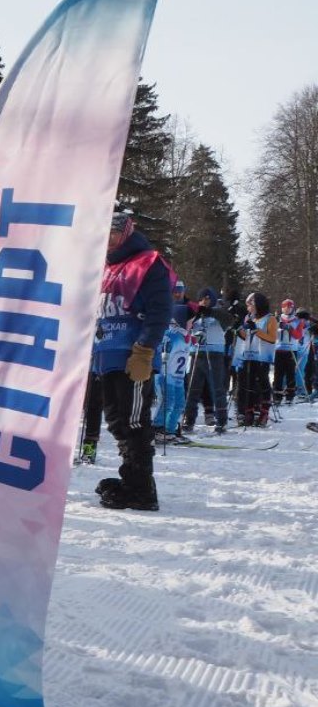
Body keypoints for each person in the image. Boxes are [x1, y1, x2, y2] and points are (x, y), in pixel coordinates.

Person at [92, 213, 173, 511]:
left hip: (132, 355)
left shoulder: (149, 262)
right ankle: (130, 479)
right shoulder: (103, 267)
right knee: (115, 420)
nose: (108, 239)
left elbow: (160, 310)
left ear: (126, 233)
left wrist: (145, 350)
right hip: (106, 354)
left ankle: (141, 489)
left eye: (113, 233)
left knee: (134, 420)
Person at [182, 287, 232, 434]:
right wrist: (195, 314)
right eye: (202, 299)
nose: (204, 302)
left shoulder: (218, 313)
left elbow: (229, 320)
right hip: (197, 353)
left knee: (217, 388)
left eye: (208, 299)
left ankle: (221, 420)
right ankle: (189, 419)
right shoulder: (195, 313)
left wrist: (209, 312)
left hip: (215, 353)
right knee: (193, 388)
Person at [237, 292, 277, 427]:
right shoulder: (248, 317)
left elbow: (272, 338)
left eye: (250, 304)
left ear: (258, 304)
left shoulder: (270, 319)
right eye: (247, 304)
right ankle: (249, 411)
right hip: (249, 355)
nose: (248, 307)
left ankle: (264, 412)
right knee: (249, 384)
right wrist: (238, 329)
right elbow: (245, 336)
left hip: (263, 356)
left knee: (262, 383)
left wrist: (256, 331)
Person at [152, 304, 191, 443]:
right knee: (168, 401)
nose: (193, 324)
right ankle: (157, 427)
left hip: (178, 376)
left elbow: (189, 345)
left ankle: (170, 429)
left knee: (179, 403)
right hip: (165, 374)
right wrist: (164, 351)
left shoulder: (185, 335)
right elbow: (162, 344)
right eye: (191, 321)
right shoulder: (171, 334)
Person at [273, 298, 303, 405]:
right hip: (279, 349)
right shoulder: (276, 319)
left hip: (291, 349)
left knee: (290, 373)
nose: (287, 309)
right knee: (278, 373)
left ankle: (290, 395)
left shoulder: (297, 320)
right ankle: (277, 395)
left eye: (289, 307)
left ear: (292, 308)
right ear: (282, 308)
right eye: (285, 307)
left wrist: (289, 328)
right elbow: (272, 334)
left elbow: (299, 335)